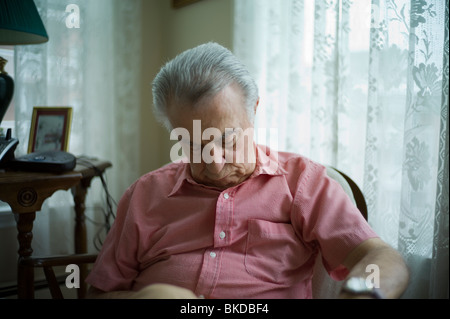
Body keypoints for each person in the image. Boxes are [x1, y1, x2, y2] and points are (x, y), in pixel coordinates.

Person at [86, 42, 409, 299]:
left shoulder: (302, 183)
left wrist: (365, 293)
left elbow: (381, 257)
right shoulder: (145, 194)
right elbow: (99, 292)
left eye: (226, 140)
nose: (213, 162)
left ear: (252, 111)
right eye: (193, 144)